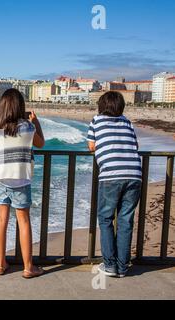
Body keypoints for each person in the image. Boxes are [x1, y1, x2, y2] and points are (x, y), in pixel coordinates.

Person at [0, 88, 45, 278]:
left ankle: (0, 264)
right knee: (24, 220)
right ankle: (28, 267)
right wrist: (34, 121)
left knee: (1, 219)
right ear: (20, 107)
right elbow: (40, 143)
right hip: (19, 176)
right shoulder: (27, 127)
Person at [87, 91, 142, 278]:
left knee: (105, 219)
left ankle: (110, 265)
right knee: (126, 220)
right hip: (134, 174)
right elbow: (136, 146)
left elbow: (91, 146)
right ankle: (122, 266)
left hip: (111, 175)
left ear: (102, 106)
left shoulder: (97, 120)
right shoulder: (127, 122)